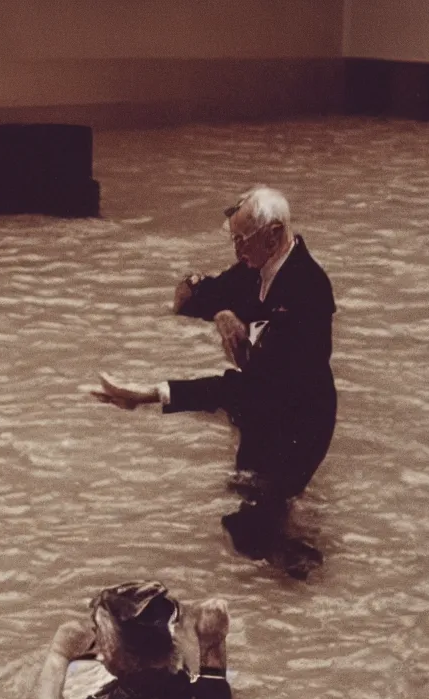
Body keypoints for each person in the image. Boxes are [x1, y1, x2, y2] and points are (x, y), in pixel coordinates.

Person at [94, 187, 336, 578]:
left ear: (273, 236)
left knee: (250, 533)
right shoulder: (253, 270)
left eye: (243, 240)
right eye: (234, 240)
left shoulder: (309, 291)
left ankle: (296, 564)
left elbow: (252, 386)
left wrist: (152, 394)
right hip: (259, 405)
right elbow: (190, 300)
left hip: (301, 423)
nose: (237, 250)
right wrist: (207, 302)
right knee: (243, 490)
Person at [30, 581, 232, 699]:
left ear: (116, 647)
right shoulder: (185, 686)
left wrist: (59, 654)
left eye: (99, 630)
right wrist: (212, 643)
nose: (96, 639)